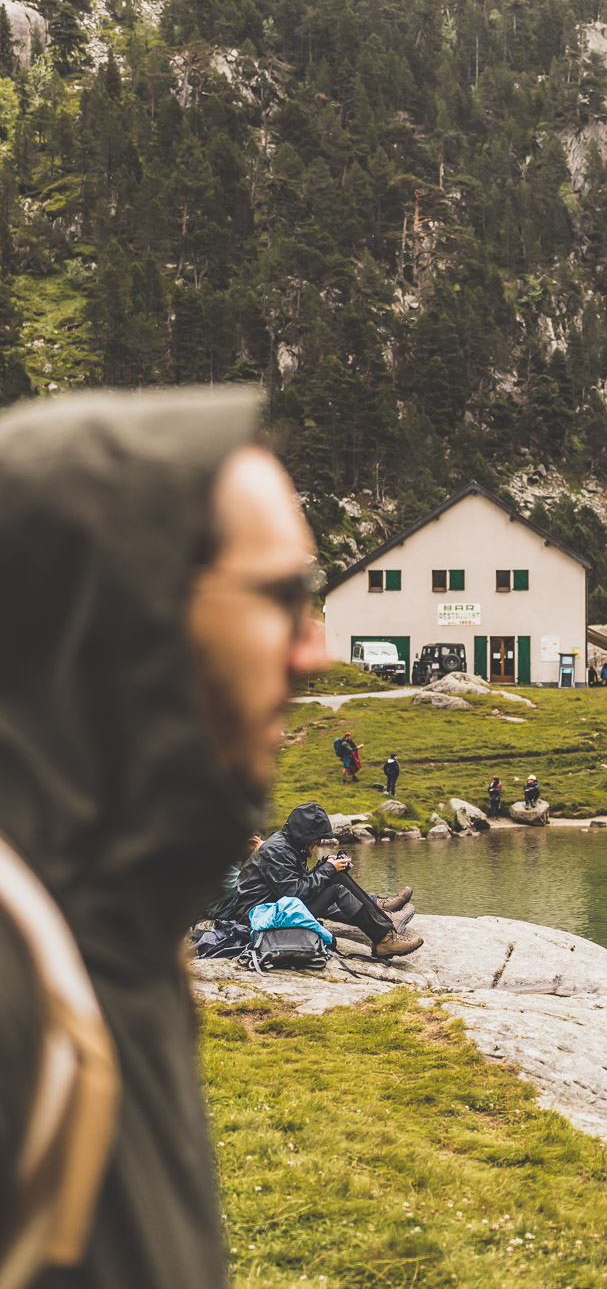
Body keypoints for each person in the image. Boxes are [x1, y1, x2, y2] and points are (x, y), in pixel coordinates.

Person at [0, 386, 330, 1289]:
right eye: (282, 596)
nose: (318, 650)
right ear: (126, 618)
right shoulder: (17, 985)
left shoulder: (113, 926)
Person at [234, 803, 421, 956]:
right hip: (260, 916)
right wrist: (326, 870)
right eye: (318, 838)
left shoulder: (289, 846)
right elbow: (295, 893)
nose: (320, 843)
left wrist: (323, 867)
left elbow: (296, 886)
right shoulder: (277, 850)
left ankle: (385, 928)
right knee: (337, 885)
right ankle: (385, 938)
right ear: (306, 835)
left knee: (337, 876)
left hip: (278, 907)